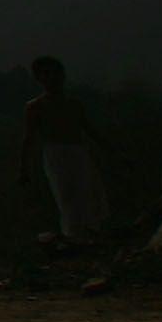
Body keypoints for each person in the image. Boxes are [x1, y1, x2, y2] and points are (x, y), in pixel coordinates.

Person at [19, 55, 110, 247]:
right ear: (39, 78)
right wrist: (24, 168)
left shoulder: (73, 104)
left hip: (78, 152)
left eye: (56, 73)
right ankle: (76, 239)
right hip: (56, 155)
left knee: (89, 195)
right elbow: (28, 139)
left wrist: (114, 152)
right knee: (67, 197)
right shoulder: (35, 107)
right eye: (46, 74)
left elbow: (89, 130)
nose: (52, 78)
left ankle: (89, 237)